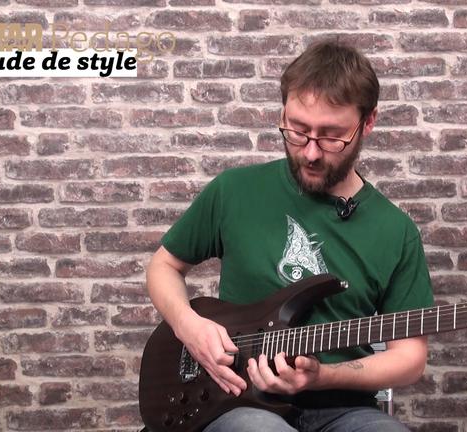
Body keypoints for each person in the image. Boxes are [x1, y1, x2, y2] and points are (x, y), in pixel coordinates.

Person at [146, 40, 434, 431]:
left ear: (367, 123)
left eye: (332, 136)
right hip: (235, 401)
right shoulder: (234, 191)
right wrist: (188, 326)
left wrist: (324, 376)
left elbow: (410, 358)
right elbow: (164, 266)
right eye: (297, 131)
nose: (311, 153)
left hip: (343, 409)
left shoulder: (396, 231)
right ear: (283, 113)